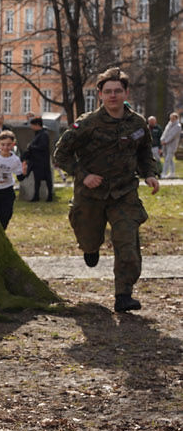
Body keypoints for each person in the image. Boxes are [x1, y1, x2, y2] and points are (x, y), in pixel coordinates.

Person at [53, 67, 162, 312]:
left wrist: (150, 175)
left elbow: (145, 151)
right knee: (89, 240)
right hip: (91, 194)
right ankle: (91, 250)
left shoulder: (137, 123)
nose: (113, 96)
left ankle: (123, 294)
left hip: (124, 194)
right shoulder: (87, 123)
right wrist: (84, 175)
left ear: (126, 93)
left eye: (118, 91)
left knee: (128, 246)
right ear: (100, 94)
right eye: (108, 91)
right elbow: (60, 155)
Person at [0, 131, 23, 229]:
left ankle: (2, 230)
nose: (5, 147)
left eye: (8, 145)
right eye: (3, 144)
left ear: (13, 144)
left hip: (7, 190)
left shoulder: (15, 160)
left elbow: (20, 176)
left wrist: (24, 171)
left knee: (6, 214)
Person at [22, 116, 54, 202]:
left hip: (42, 161)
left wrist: (31, 147)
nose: (31, 127)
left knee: (47, 179)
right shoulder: (39, 134)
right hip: (37, 161)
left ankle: (49, 196)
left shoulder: (44, 134)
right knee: (37, 180)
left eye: (32, 125)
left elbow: (43, 146)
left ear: (37, 125)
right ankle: (36, 196)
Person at [161, 111, 181, 179]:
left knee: (167, 159)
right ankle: (172, 172)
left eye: (172, 118)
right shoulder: (169, 124)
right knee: (170, 159)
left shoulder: (178, 126)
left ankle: (164, 173)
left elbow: (172, 135)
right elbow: (165, 132)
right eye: (170, 118)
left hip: (172, 145)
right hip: (166, 144)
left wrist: (165, 141)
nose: (171, 119)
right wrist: (162, 139)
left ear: (176, 118)